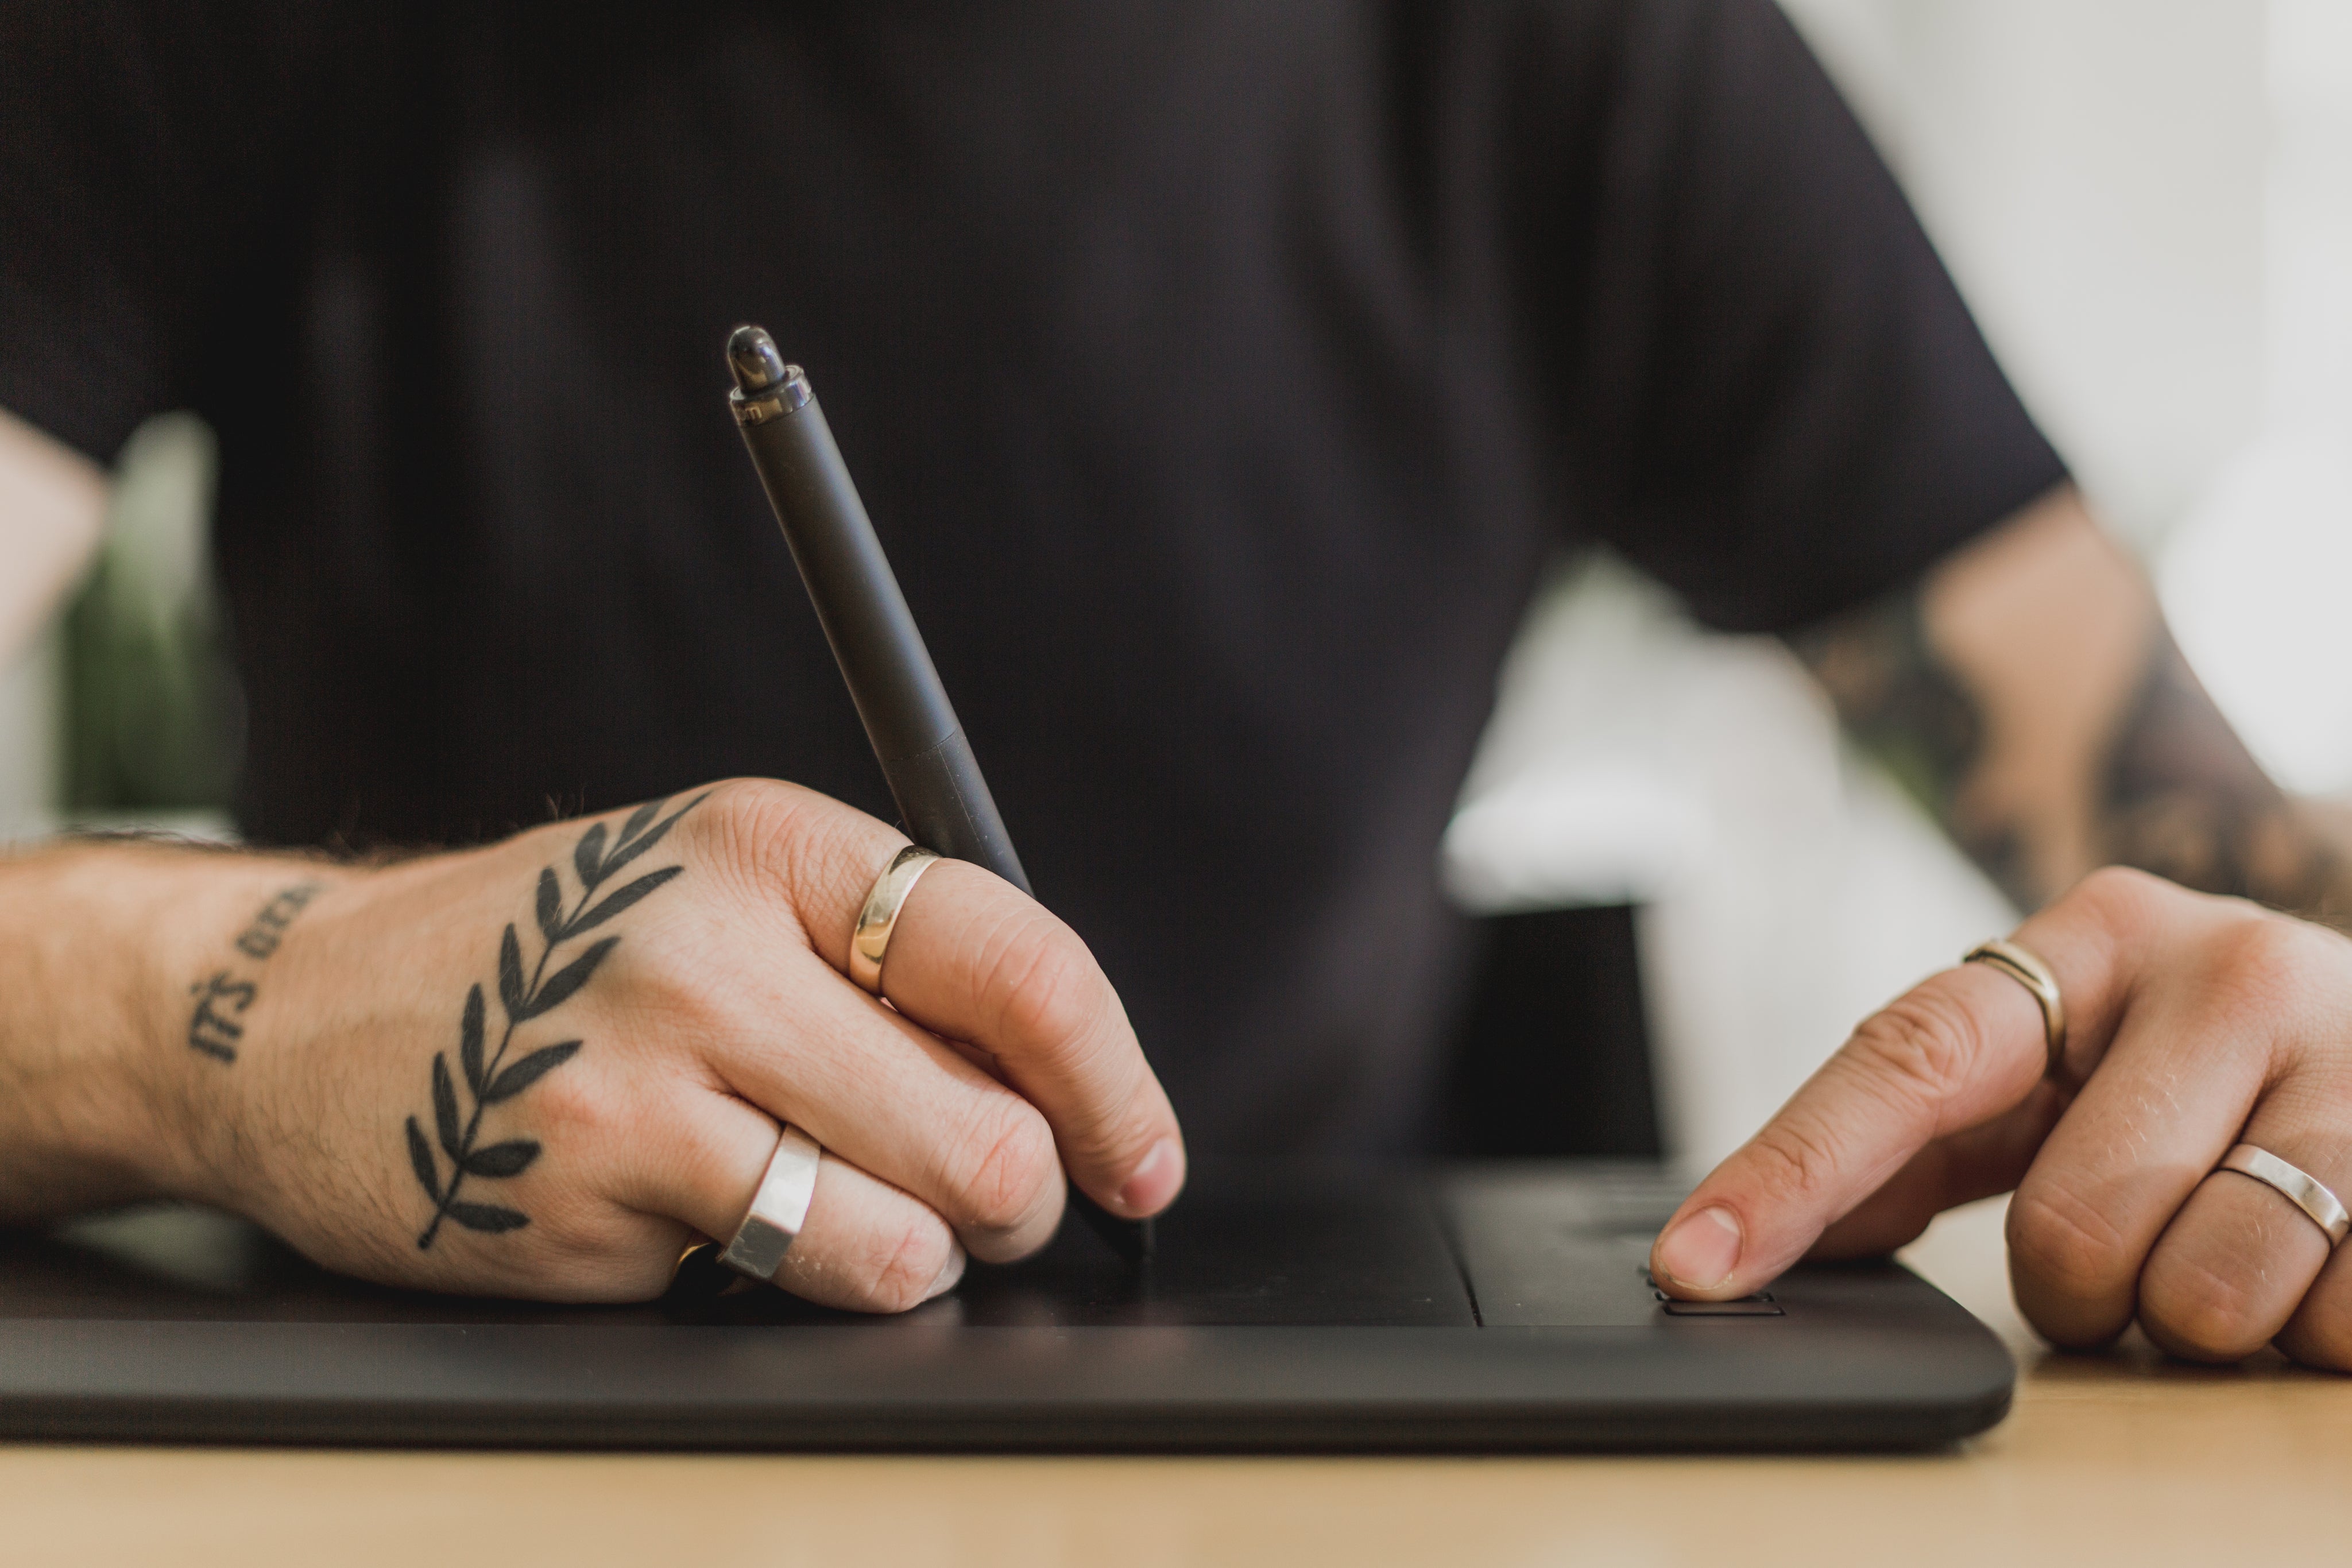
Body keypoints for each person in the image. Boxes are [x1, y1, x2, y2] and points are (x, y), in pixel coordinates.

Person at [0, 2, 2346, 1367]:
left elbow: (2192, 844)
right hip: (416, 1445)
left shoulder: (1579, 59)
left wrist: (2293, 1009)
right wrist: (229, 1003)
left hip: (1304, 1452)